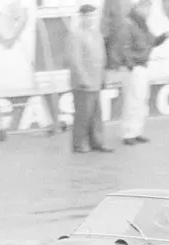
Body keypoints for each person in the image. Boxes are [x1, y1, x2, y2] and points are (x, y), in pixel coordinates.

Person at [119, 0, 169, 146]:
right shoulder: (128, 24)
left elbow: (150, 42)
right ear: (139, 7)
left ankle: (136, 131)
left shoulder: (142, 24)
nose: (149, 11)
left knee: (140, 100)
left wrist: (163, 37)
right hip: (134, 67)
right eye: (147, 7)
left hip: (141, 66)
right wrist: (130, 65)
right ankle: (127, 133)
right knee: (132, 100)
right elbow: (124, 46)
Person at [68, 4, 113, 154]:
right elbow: (75, 60)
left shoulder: (96, 34)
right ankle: (79, 144)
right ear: (81, 17)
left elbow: (102, 57)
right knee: (83, 114)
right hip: (83, 84)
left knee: (96, 114)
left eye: (93, 16)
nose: (90, 19)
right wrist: (83, 78)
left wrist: (104, 76)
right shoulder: (75, 35)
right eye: (87, 16)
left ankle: (97, 142)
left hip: (96, 81)